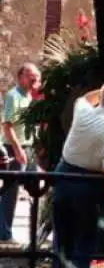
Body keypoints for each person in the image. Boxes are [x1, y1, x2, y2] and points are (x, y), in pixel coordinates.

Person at [52, 81, 104, 268]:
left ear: (101, 98)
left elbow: (85, 98)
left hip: (64, 175)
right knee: (85, 240)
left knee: (62, 238)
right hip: (90, 183)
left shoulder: (83, 111)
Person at [0, 63, 41, 242]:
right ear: (21, 77)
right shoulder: (13, 96)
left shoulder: (31, 97)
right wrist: (17, 150)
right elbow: (7, 126)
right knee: (11, 192)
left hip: (29, 147)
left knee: (37, 189)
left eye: (36, 77)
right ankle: (4, 233)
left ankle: (35, 235)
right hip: (15, 148)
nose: (34, 79)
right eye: (30, 76)